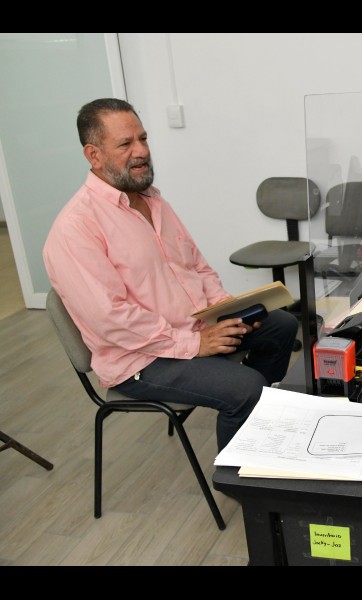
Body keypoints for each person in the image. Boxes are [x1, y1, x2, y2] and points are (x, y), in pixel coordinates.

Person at [43, 98, 297, 453]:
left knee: (281, 326)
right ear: (94, 155)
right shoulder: (76, 228)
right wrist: (195, 344)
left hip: (190, 329)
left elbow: (196, 267)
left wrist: (225, 310)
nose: (141, 151)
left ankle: (257, 426)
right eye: (125, 143)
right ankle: (238, 473)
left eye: (143, 138)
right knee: (245, 388)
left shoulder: (153, 201)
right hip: (141, 359)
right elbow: (111, 320)